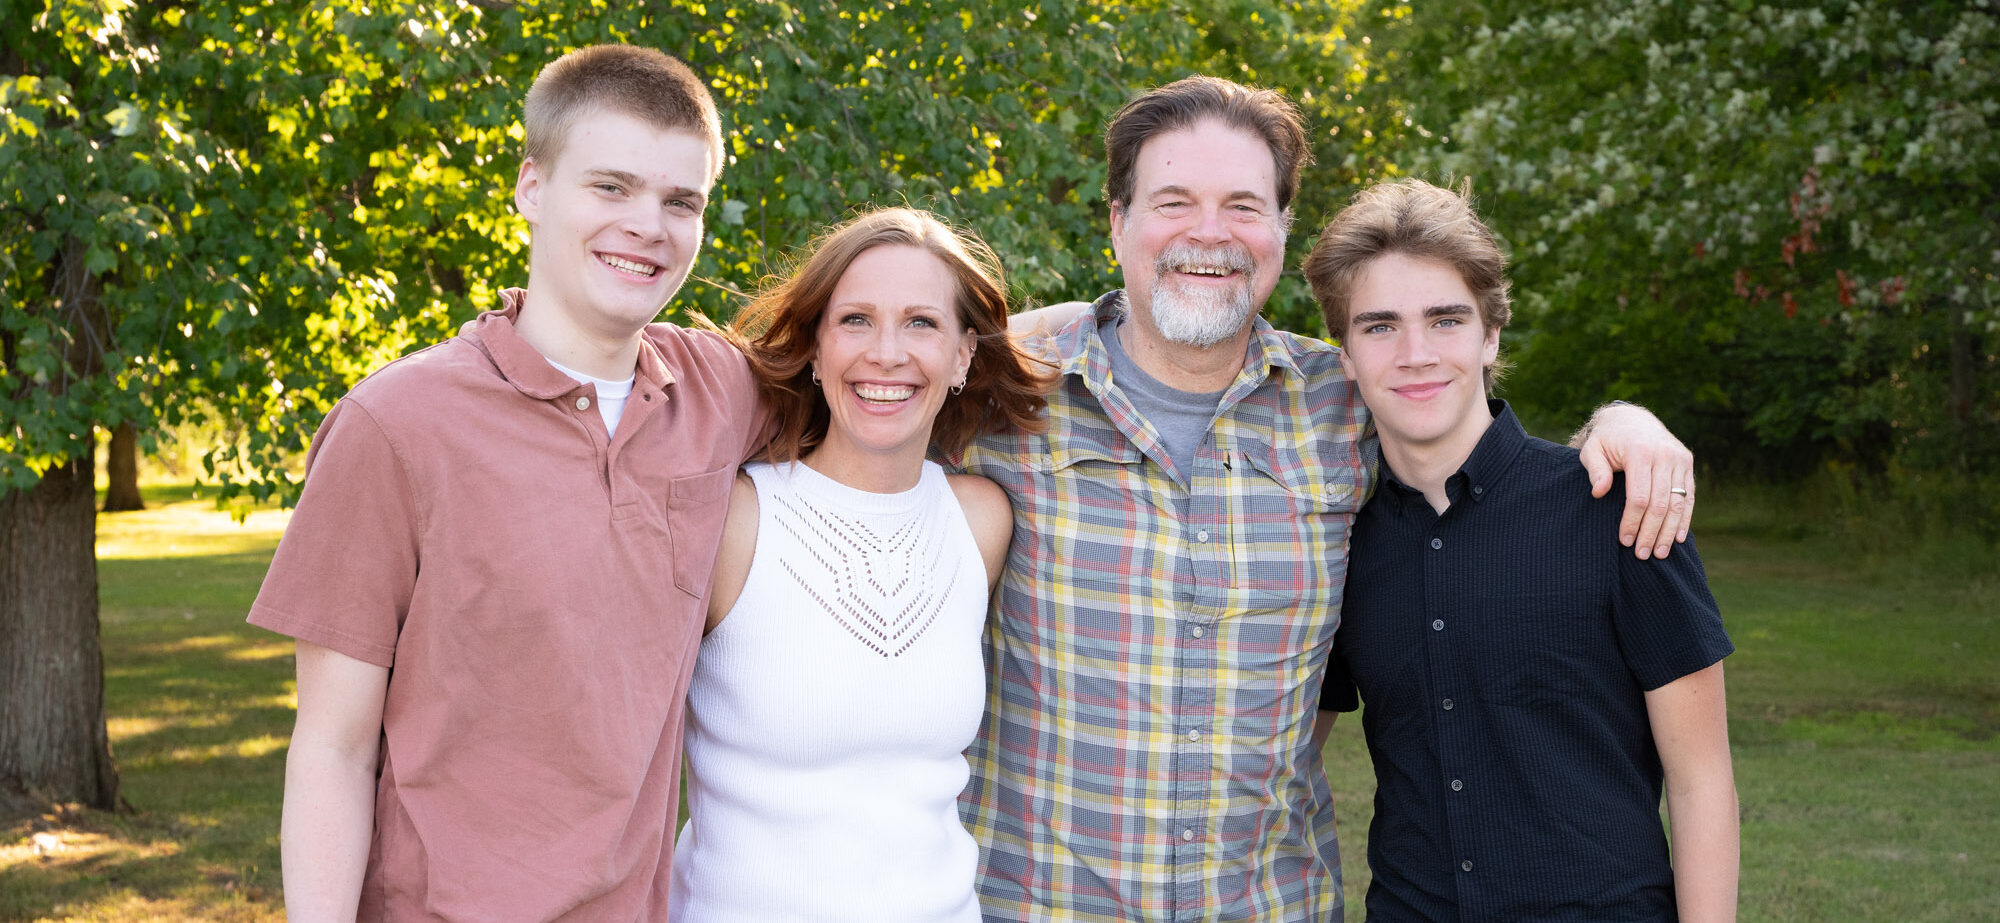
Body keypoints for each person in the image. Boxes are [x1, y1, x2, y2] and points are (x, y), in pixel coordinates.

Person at [949, 76, 1699, 920]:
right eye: (1173, 201)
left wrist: (1622, 422)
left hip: (1273, 904)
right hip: (1035, 902)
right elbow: (817, 386)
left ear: (1278, 228)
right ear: (1118, 220)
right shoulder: (997, 393)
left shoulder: (1339, 402)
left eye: (1242, 204)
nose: (1209, 232)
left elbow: (1467, 426)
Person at [248, 46, 771, 921]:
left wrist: (1063, 324)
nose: (649, 223)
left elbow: (881, 361)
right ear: (531, 187)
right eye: (611, 187)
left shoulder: (719, 391)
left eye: (682, 200)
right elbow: (332, 749)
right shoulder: (395, 425)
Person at [1306, 178, 1739, 921]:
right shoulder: (1336, 544)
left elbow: (1702, 781)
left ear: (1491, 333)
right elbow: (1282, 752)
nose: (1416, 354)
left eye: (1445, 319)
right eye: (1379, 326)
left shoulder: (1618, 507)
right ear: (1344, 352)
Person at [668, 208, 1054, 921]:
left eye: (921, 323)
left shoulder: (981, 520)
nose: (886, 353)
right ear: (815, 346)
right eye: (855, 320)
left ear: (965, 355)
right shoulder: (737, 519)